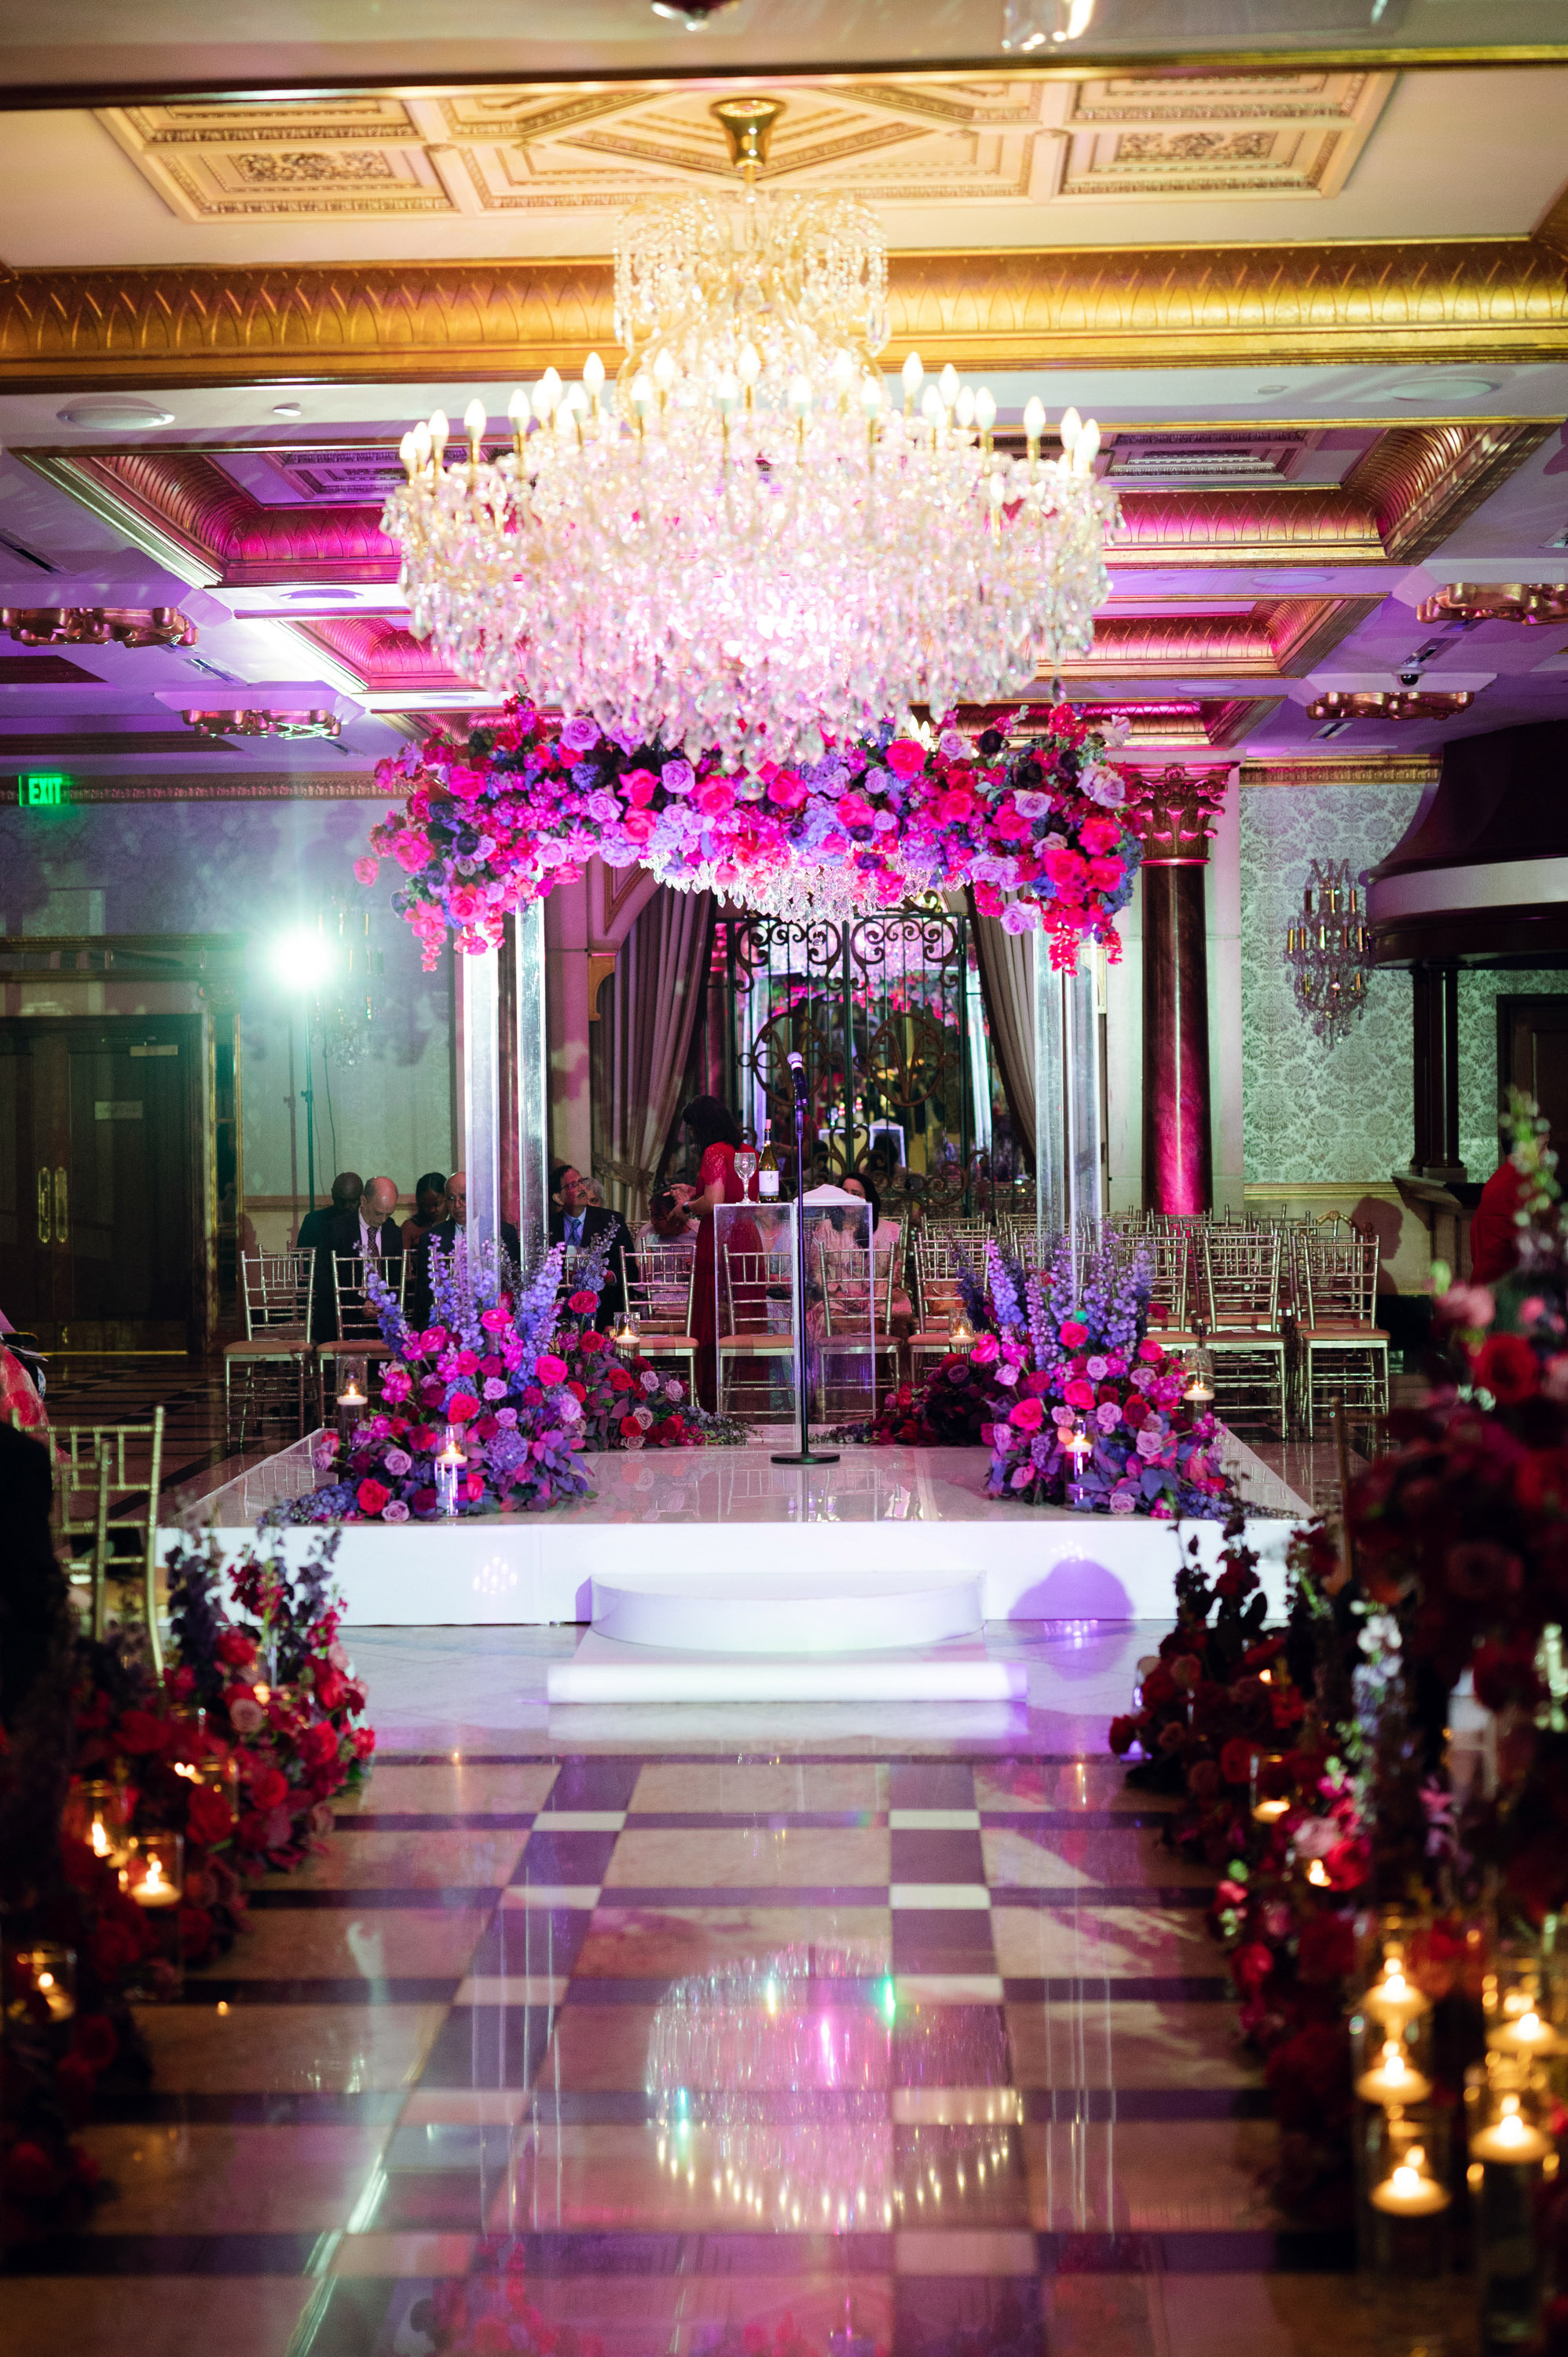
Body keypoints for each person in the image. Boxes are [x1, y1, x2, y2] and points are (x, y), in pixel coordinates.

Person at [682, 1096, 764, 1409]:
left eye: (691, 1128)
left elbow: (714, 1202)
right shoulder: (749, 1152)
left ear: (701, 1126)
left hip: (720, 1238)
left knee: (716, 1312)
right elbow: (734, 1193)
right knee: (744, 1313)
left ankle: (713, 1398)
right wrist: (693, 1191)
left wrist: (687, 1206)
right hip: (747, 1236)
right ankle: (746, 1392)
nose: (690, 1135)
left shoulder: (714, 1151)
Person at [313, 1175, 401, 1341]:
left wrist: (384, 1303)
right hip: (343, 1315)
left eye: (388, 1214)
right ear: (363, 1201)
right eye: (378, 1213)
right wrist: (359, 1305)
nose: (383, 1220)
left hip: (381, 1317)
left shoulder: (393, 1232)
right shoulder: (335, 1229)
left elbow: (396, 1279)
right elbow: (323, 1280)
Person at [548, 1163, 635, 1329]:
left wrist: (610, 1276)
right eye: (573, 1185)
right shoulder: (549, 1226)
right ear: (558, 1198)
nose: (582, 1188)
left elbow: (631, 1270)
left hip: (603, 1309)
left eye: (581, 1182)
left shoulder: (611, 1221)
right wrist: (560, 1277)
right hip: (560, 1311)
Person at [298, 1170, 361, 1253]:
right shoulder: (313, 1221)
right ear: (333, 1194)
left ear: (362, 1198)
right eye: (340, 1200)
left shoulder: (368, 1222)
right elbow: (301, 1261)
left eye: (352, 1201)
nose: (346, 1206)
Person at [401, 1170, 448, 1254]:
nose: (432, 1210)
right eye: (426, 1205)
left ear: (447, 1198)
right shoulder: (410, 1227)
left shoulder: (457, 1224)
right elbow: (404, 1264)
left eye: (437, 1204)